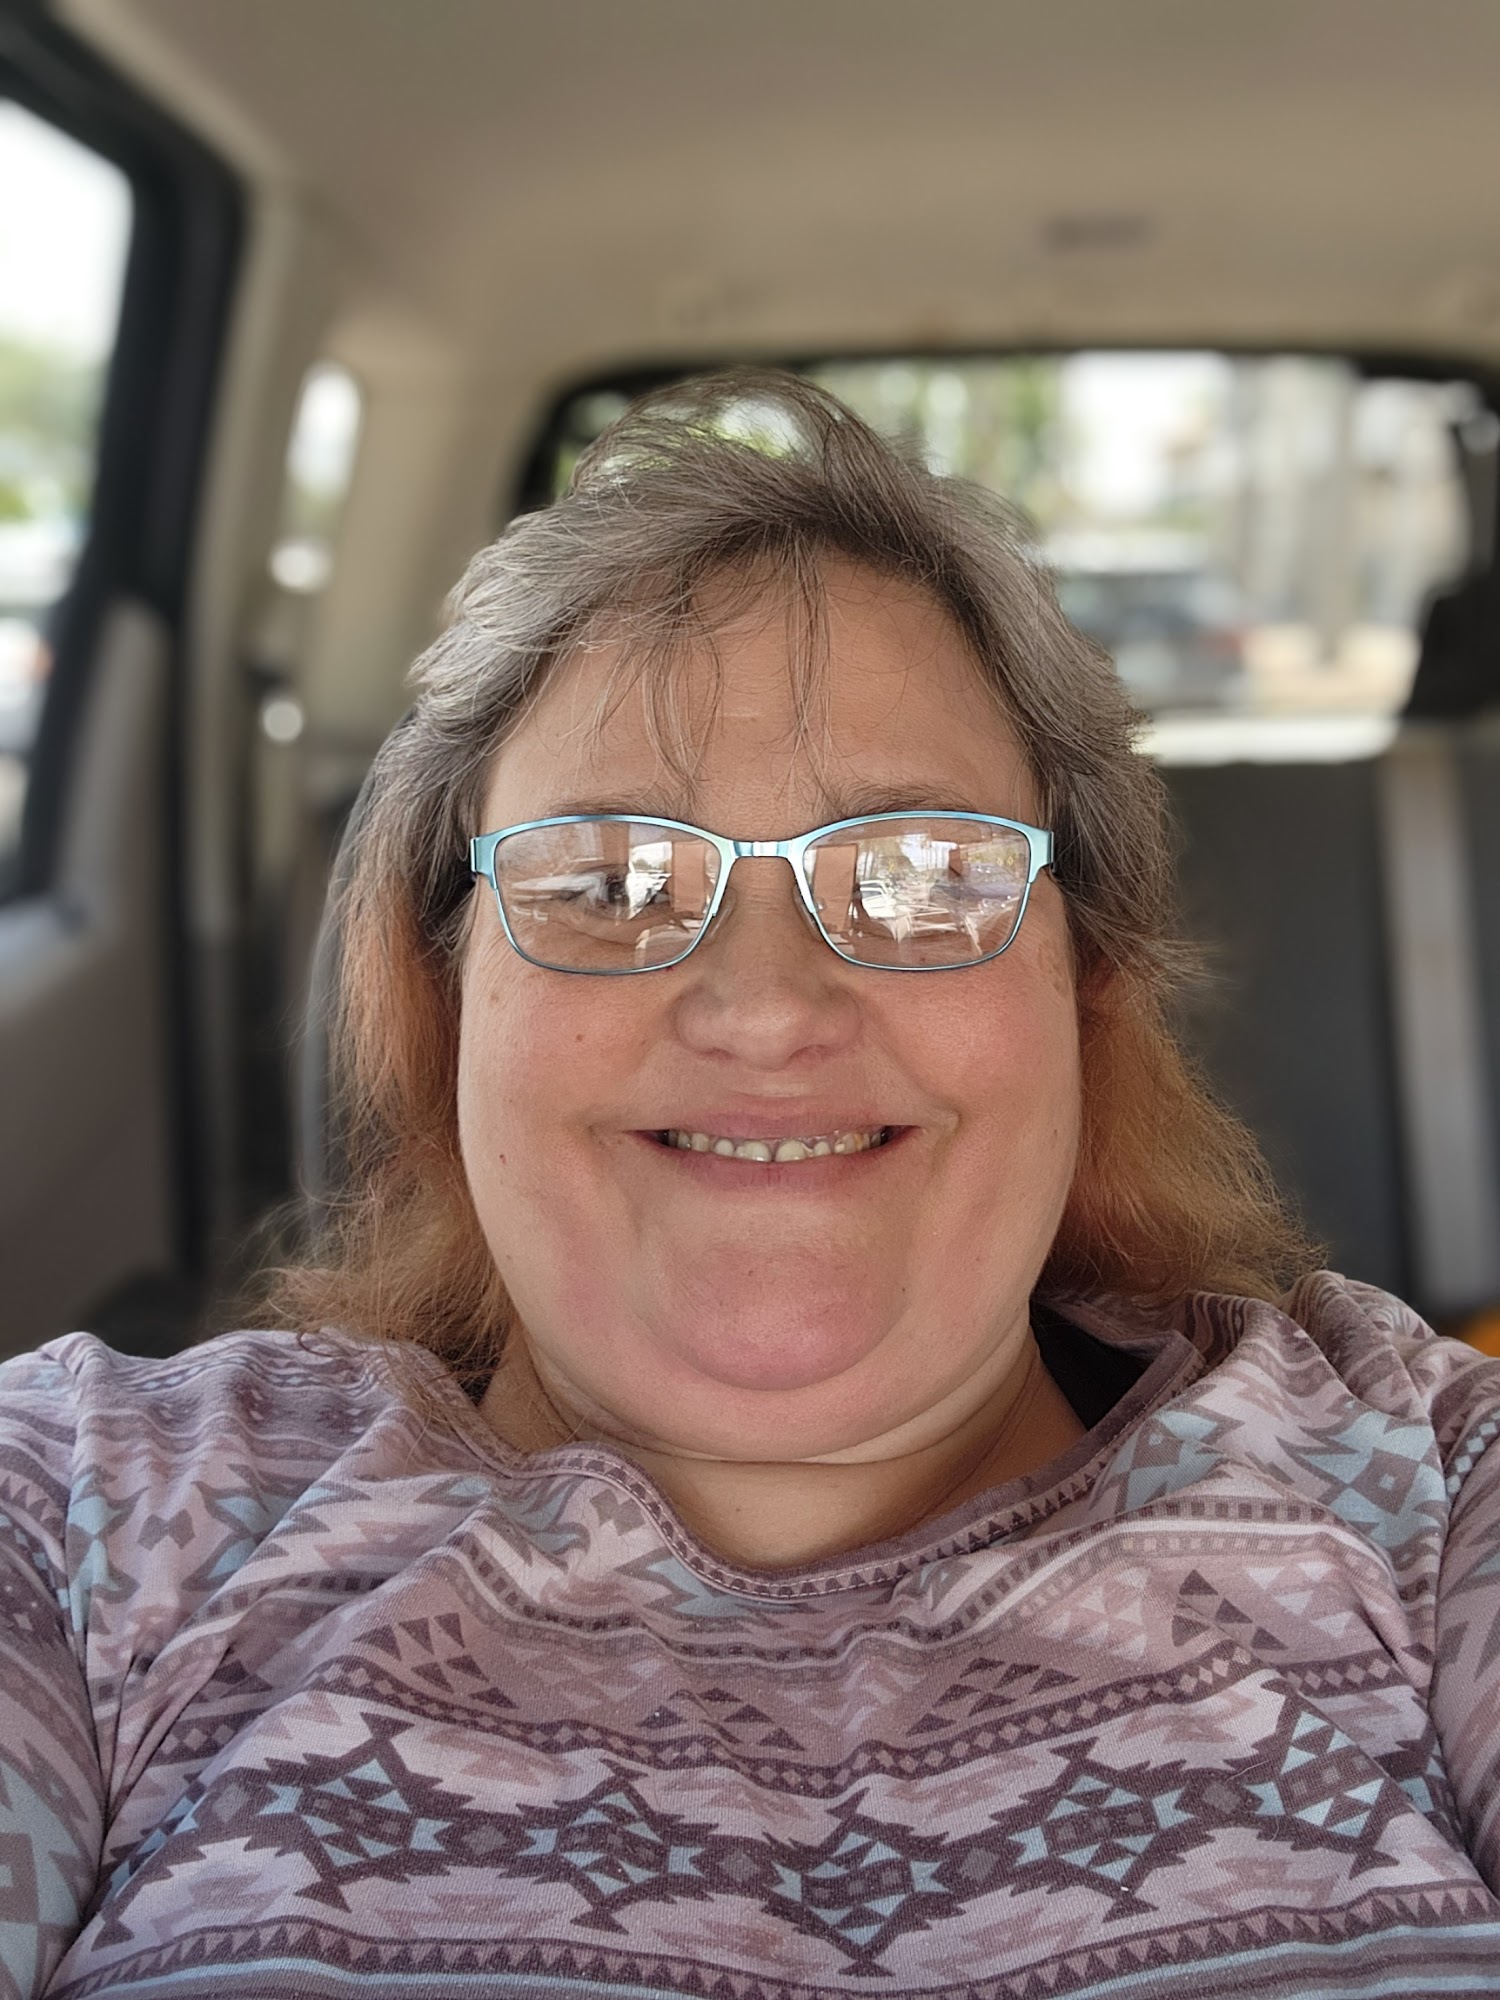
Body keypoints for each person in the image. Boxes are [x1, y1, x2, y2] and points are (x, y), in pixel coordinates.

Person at [4, 371, 1500, 2000]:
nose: (768, 1006)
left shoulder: (1429, 1503)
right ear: (447, 996)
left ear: (1086, 984)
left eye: (920, 875)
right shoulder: (96, 1522)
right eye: (611, 882)